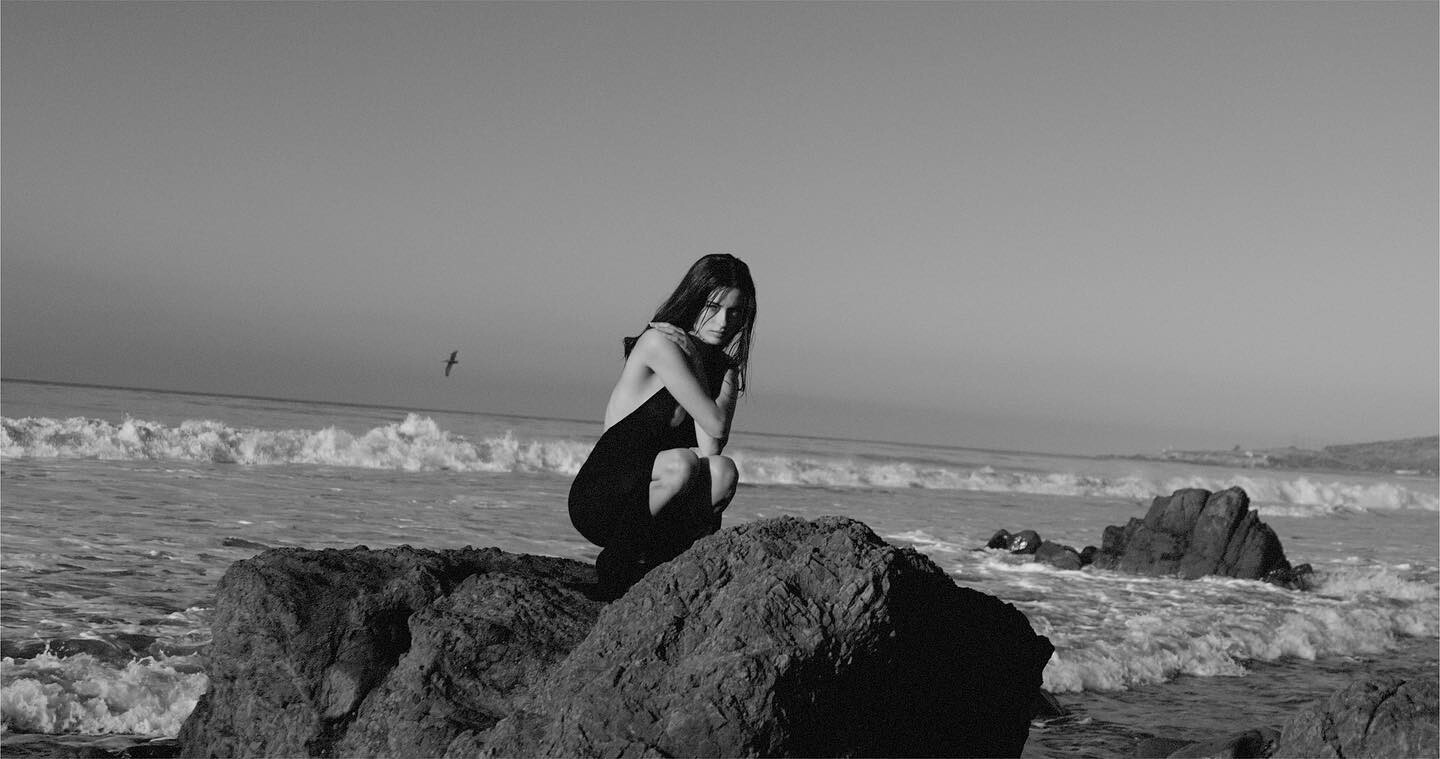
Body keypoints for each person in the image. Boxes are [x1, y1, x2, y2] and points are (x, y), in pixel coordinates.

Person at [569, 254, 757, 597]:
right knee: (681, 464)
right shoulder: (659, 343)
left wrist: (703, 367)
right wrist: (699, 365)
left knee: (723, 471)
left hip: (657, 504)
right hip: (602, 498)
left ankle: (665, 567)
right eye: (713, 307)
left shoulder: (723, 369)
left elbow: (712, 447)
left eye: (734, 312)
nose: (722, 322)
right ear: (694, 300)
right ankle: (614, 567)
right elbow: (715, 424)